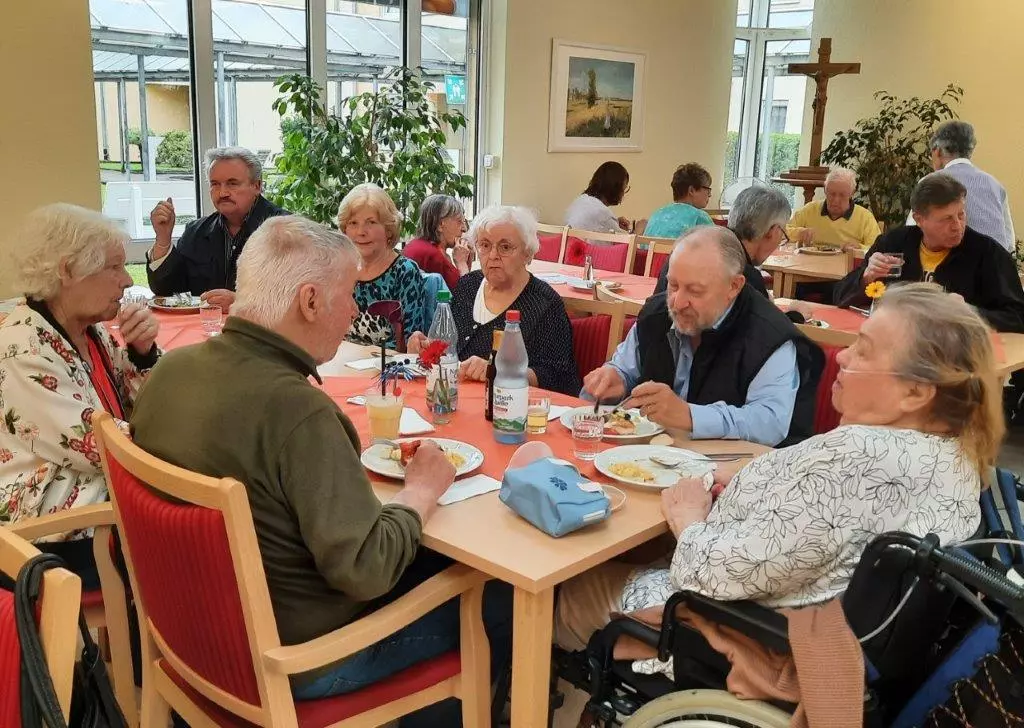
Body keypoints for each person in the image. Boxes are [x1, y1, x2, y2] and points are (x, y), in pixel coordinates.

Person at [129, 216, 511, 719]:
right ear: (309, 301)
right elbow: (367, 570)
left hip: (193, 633)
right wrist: (421, 490)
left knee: (437, 562)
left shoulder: (169, 371)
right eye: (350, 293)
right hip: (296, 659)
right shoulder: (298, 411)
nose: (354, 309)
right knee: (496, 594)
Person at [554, 284, 997, 712]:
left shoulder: (854, 457)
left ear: (916, 392)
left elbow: (711, 575)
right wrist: (757, 476)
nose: (841, 355)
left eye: (863, 349)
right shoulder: (957, 455)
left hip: (736, 630)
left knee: (560, 587)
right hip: (832, 626)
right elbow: (832, 511)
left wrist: (689, 520)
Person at [0, 204, 161, 590]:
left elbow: (144, 405)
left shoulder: (89, 331)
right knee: (193, 536)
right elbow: (104, 446)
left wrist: (143, 352)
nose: (126, 281)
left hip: (99, 509)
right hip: (51, 536)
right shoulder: (23, 351)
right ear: (68, 270)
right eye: (114, 267)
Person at [585, 226, 821, 447]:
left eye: (695, 291)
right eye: (673, 286)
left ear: (734, 287)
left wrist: (689, 415)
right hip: (651, 460)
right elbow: (624, 369)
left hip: (735, 473)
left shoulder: (769, 336)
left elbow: (770, 422)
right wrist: (615, 377)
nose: (677, 303)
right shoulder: (656, 314)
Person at [407, 205, 582, 396]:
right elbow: (448, 348)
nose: (492, 256)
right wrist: (426, 346)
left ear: (527, 253)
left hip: (510, 410)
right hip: (456, 401)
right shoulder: (468, 286)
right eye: (484, 245)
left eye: (505, 247)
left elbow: (559, 378)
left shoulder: (545, 304)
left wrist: (499, 372)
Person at [836, 173, 1024, 333]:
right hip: (895, 345)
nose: (957, 226)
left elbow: (1017, 317)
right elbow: (839, 296)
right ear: (919, 219)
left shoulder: (987, 253)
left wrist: (969, 312)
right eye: (946, 219)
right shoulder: (894, 243)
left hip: (956, 357)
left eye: (961, 214)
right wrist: (866, 278)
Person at [146, 146, 289, 311]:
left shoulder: (287, 231)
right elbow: (168, 292)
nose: (223, 193)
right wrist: (163, 239)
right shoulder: (196, 232)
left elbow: (302, 298)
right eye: (215, 184)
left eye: (232, 183)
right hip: (203, 331)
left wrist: (241, 303)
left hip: (259, 333)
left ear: (257, 186)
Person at [654, 186, 792, 300]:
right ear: (772, 231)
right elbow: (761, 330)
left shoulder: (687, 249)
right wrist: (795, 316)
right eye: (783, 234)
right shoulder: (745, 277)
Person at [339, 183, 427, 349]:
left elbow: (411, 343)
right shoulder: (339, 270)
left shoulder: (405, 271)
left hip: (386, 369)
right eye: (353, 223)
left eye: (371, 222)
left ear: (388, 229)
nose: (361, 232)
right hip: (338, 367)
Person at [911, 120, 1014, 252]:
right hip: (997, 266)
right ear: (970, 151)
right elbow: (1009, 242)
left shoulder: (930, 182)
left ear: (937, 152)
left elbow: (915, 233)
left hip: (953, 267)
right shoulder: (995, 184)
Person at [787, 167, 882, 251]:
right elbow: (782, 232)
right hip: (811, 266)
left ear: (852, 193)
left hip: (846, 268)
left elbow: (878, 249)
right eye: (832, 194)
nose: (836, 200)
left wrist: (860, 248)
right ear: (825, 190)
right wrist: (799, 233)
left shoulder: (865, 217)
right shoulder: (810, 209)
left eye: (842, 195)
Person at [402, 194, 473, 290]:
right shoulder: (431, 255)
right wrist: (461, 263)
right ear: (440, 225)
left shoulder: (419, 245)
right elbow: (466, 294)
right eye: (459, 221)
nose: (464, 229)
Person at [643, 163, 715, 239]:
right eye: (708, 190)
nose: (710, 195)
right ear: (692, 190)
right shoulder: (700, 217)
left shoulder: (657, 214)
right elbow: (718, 247)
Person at [565, 161, 632, 233]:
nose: (623, 194)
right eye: (624, 189)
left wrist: (614, 223)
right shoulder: (604, 215)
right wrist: (635, 231)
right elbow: (625, 243)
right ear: (615, 189)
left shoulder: (580, 201)